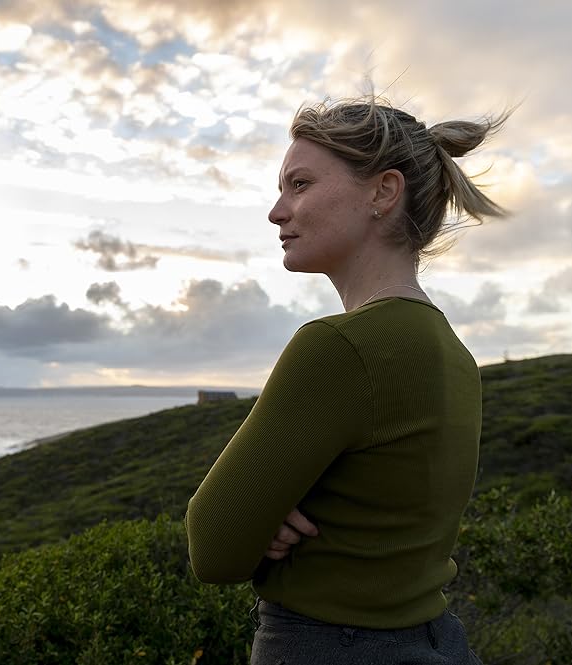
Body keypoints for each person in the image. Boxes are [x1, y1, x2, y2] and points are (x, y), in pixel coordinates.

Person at [185, 96, 510, 665]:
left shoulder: (338, 347)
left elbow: (213, 546)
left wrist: (259, 516)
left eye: (300, 184)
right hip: (437, 643)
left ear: (382, 192)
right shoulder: (453, 353)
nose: (277, 211)